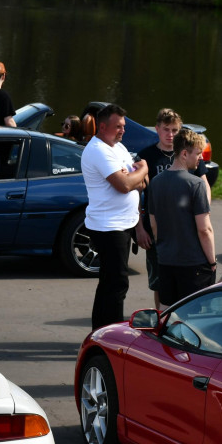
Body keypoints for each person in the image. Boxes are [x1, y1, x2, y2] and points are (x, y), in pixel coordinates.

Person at [81, 103, 148, 330]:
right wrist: (144, 169)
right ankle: (110, 335)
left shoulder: (118, 148)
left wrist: (135, 177)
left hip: (122, 224)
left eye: (123, 126)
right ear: (102, 127)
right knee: (116, 284)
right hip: (109, 227)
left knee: (110, 283)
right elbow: (124, 185)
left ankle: (100, 332)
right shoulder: (98, 150)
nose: (123, 130)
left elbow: (141, 183)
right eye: (118, 126)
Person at [136, 108, 211, 308]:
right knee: (159, 282)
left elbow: (204, 184)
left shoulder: (190, 154)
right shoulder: (146, 156)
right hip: (157, 231)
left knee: (189, 280)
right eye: (166, 129)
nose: (170, 134)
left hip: (188, 228)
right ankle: (161, 316)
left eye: (175, 130)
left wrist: (204, 210)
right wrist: (139, 228)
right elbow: (137, 195)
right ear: (157, 129)